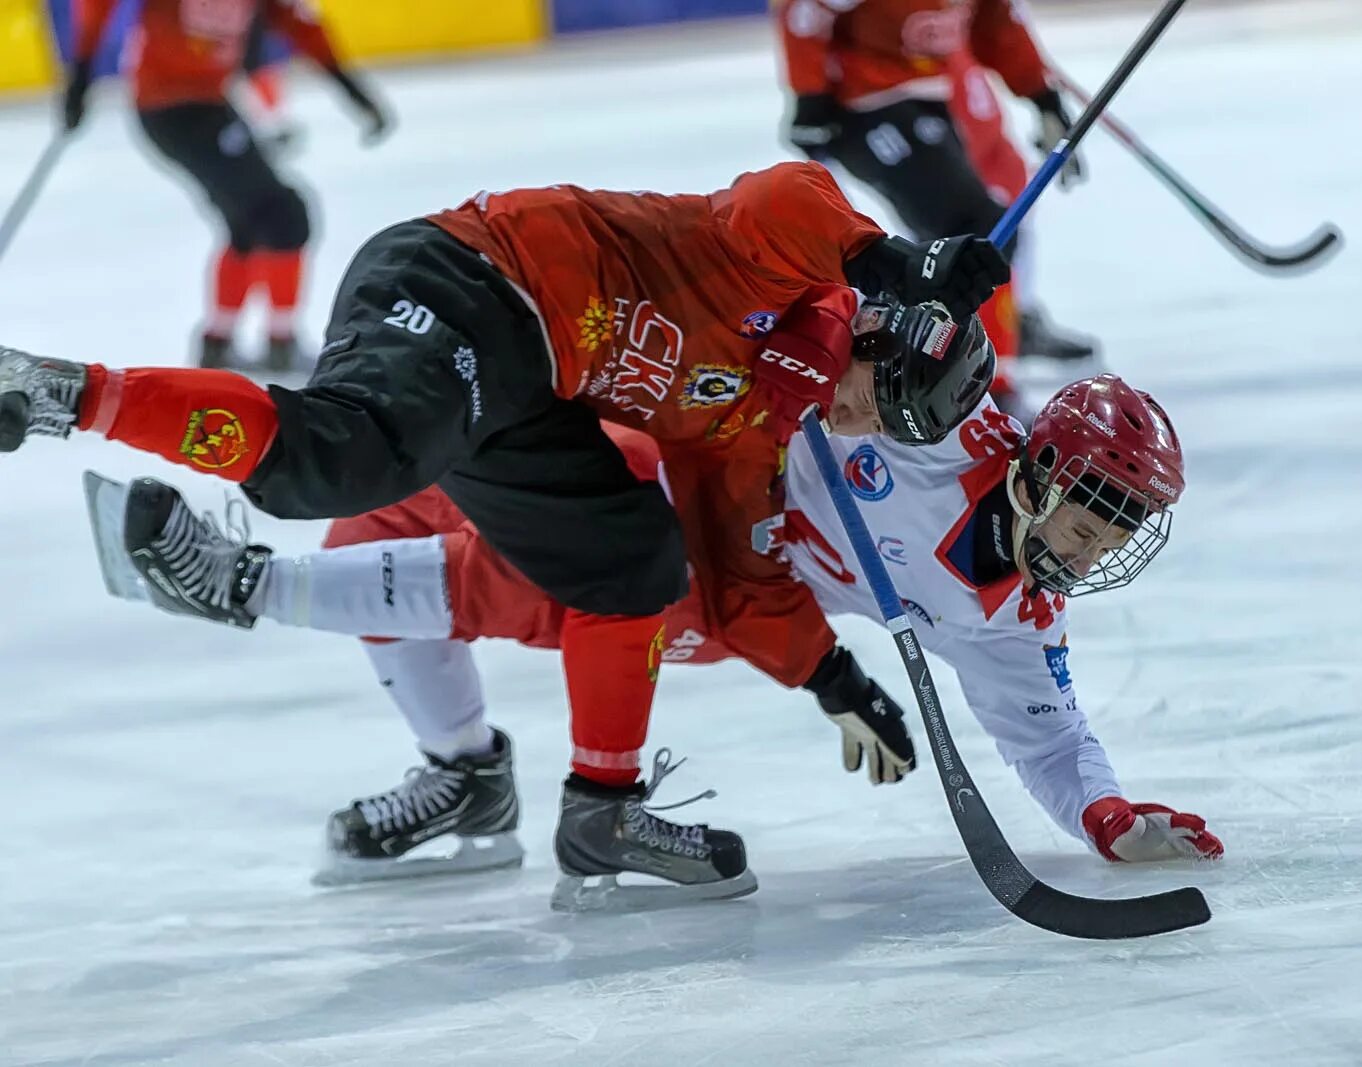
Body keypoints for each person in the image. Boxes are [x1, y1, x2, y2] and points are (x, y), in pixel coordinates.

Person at [2, 159, 1004, 902]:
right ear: (880, 329)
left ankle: (598, 810)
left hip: (531, 397)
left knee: (635, 565)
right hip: (480, 281)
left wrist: (830, 674)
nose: (869, 428)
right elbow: (783, 199)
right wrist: (896, 259)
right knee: (343, 456)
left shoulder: (751, 420)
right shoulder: (785, 263)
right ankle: (67, 393)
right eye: (891, 402)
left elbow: (738, 561)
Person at [92, 374, 1219, 910]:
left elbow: (1051, 740)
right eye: (1095, 501)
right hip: (681, 454)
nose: (1097, 536)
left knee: (584, 571)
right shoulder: (942, 423)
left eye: (1124, 520)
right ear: (1036, 463)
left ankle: (244, 583)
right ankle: (465, 772)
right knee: (387, 517)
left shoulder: (1011, 614)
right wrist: (885, 340)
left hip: (722, 589)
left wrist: (1110, 816)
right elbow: (815, 327)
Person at [775, 0, 1100, 415]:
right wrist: (810, 95)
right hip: (864, 105)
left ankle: (950, 364)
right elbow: (807, 11)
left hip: (932, 95)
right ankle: (970, 383)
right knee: (973, 231)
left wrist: (1042, 96)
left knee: (983, 221)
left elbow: (996, 22)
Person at [62, 0, 391, 370]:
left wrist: (351, 90)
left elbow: (297, 24)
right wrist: (81, 75)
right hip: (171, 108)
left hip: (207, 104)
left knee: (249, 221)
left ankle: (218, 343)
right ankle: (279, 343)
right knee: (284, 216)